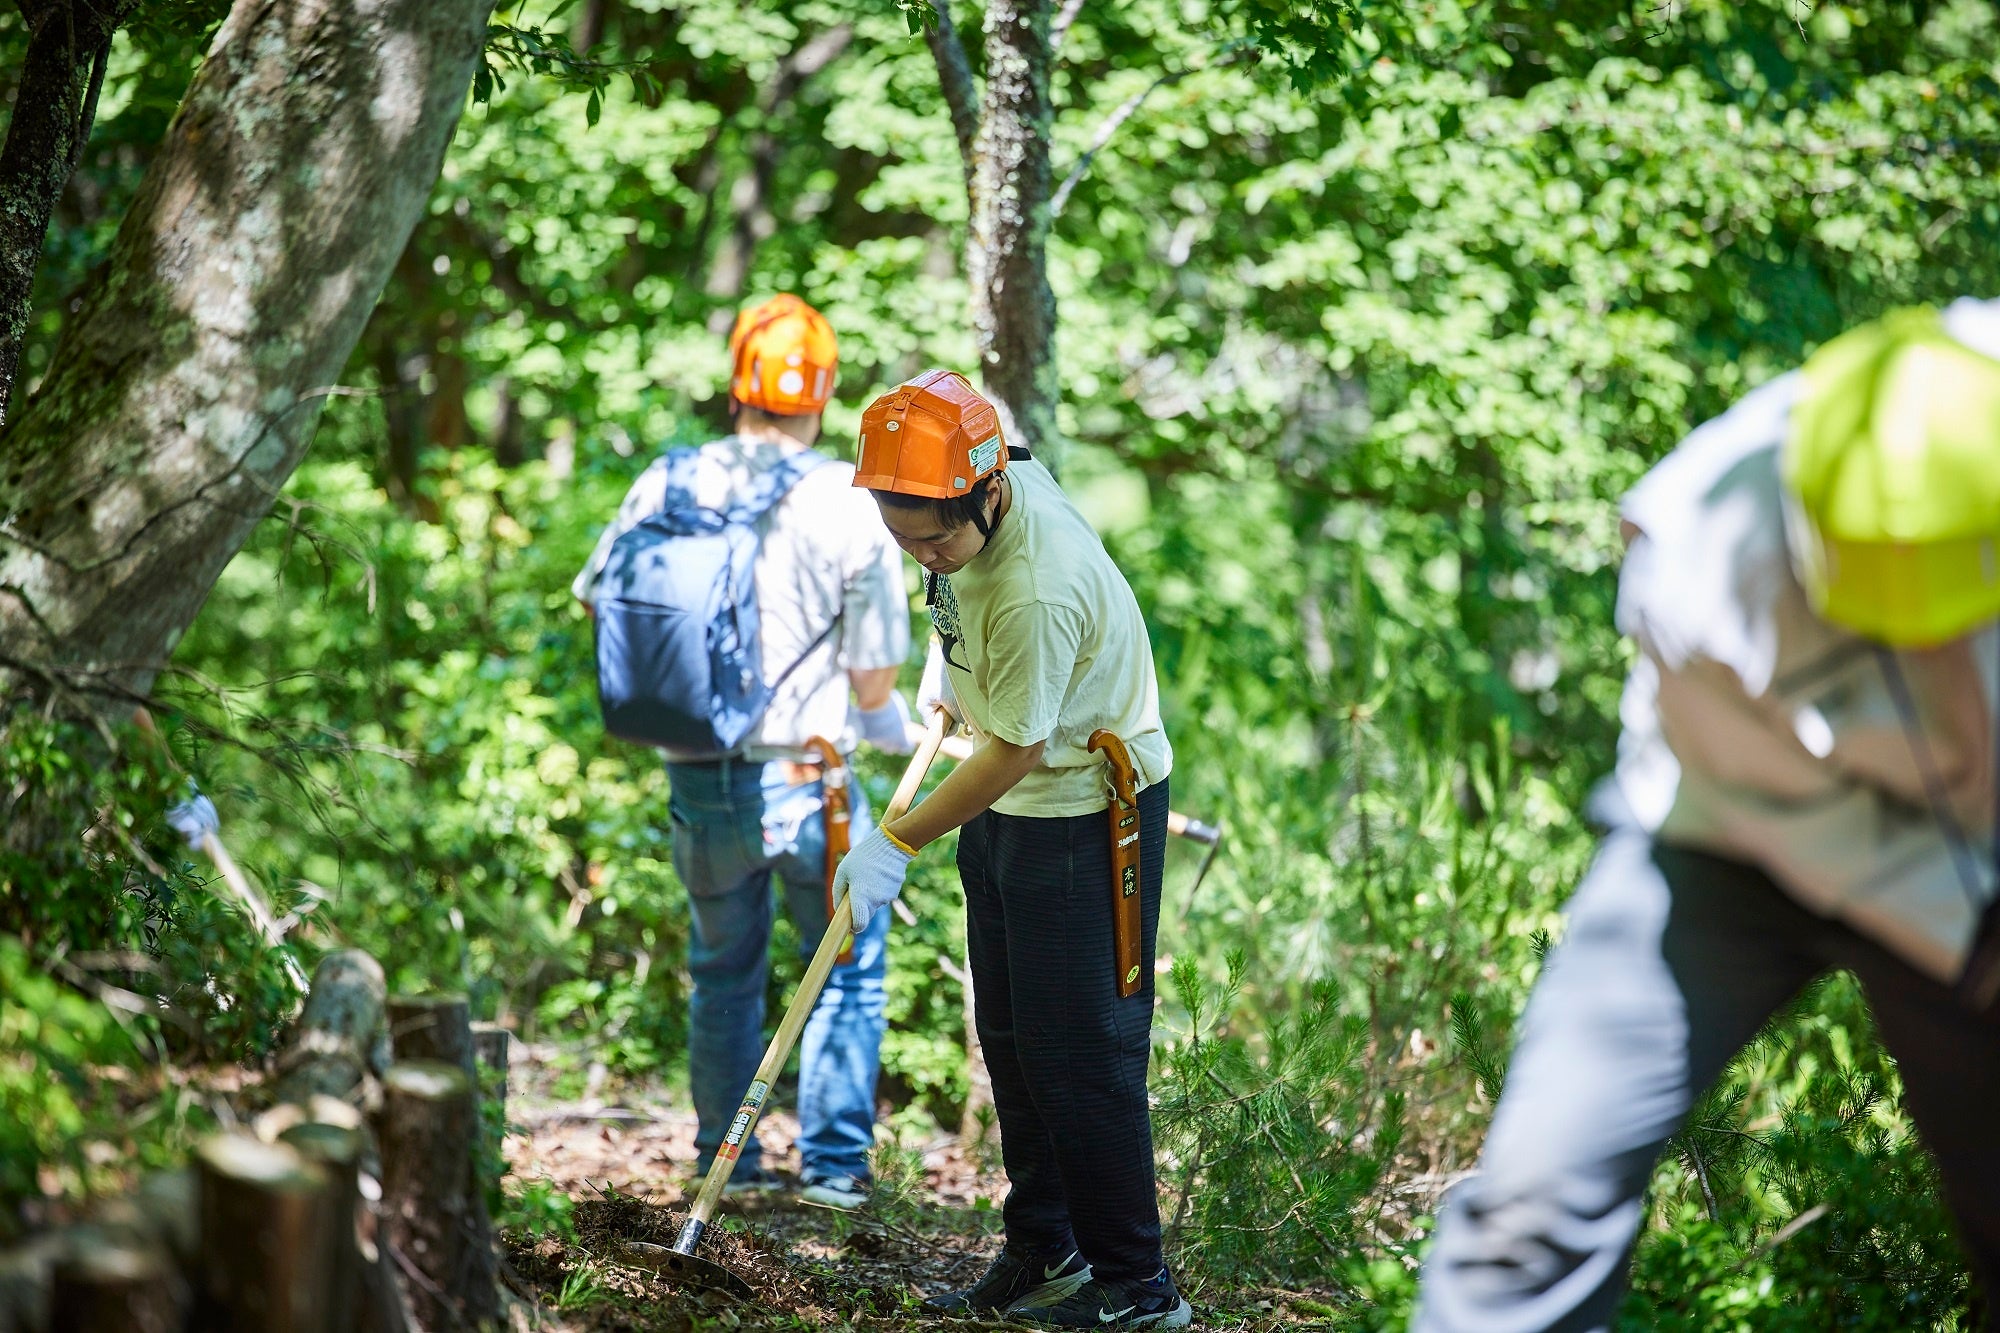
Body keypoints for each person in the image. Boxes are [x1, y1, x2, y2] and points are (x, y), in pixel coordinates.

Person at [1414, 299, 2000, 1331]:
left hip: (1972, 866)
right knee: (1531, 1208)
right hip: (1723, 836)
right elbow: (1831, 844)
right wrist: (1967, 934)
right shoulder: (1692, 550)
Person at [831, 370, 1190, 1328]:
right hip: (1003, 800)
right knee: (1013, 1042)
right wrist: (944, 669)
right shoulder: (961, 492)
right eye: (901, 535)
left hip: (1078, 809)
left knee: (1084, 1056)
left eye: (934, 537)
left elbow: (1022, 744)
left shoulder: (1037, 580)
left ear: (990, 492)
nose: (923, 553)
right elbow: (958, 596)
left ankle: (1138, 1290)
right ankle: (1047, 1249)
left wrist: (896, 836)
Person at [572, 294, 913, 1210]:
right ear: (825, 393)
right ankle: (835, 1173)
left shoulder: (667, 481)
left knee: (723, 970)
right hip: (810, 782)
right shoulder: (849, 499)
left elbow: (601, 603)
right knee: (846, 966)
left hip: (697, 780)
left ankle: (730, 1161)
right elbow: (876, 679)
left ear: (737, 387)